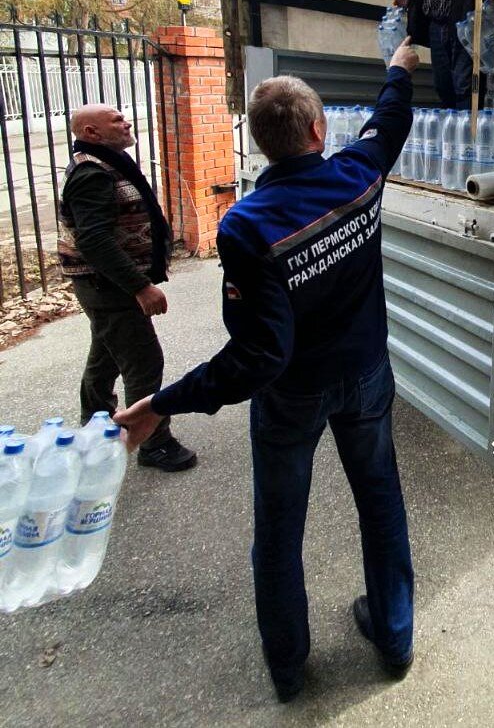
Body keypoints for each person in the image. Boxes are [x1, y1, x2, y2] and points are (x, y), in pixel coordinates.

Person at [115, 37, 420, 704]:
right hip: (365, 377)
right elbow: (389, 120)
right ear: (317, 131)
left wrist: (163, 401)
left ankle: (288, 667)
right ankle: (394, 636)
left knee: (279, 528)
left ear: (261, 145)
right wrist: (397, 69)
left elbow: (259, 353)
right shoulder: (358, 173)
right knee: (380, 501)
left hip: (292, 397)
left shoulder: (247, 225)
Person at [57, 104, 196, 473]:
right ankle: (154, 443)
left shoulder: (108, 162)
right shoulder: (92, 173)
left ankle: (97, 422)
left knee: (105, 353)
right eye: (116, 120)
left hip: (105, 285)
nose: (127, 122)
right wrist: (141, 287)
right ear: (91, 132)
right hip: (109, 287)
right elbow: (95, 240)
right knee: (144, 361)